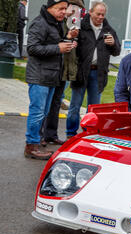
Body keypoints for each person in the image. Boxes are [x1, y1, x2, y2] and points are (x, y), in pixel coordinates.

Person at [24, 0, 74, 160]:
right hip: (39, 76)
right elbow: (31, 48)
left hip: (51, 75)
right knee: (37, 113)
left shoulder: (55, 23)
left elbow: (53, 43)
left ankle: (36, 143)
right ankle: (31, 146)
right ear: (50, 7)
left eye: (65, 9)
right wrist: (58, 48)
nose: (64, 12)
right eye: (60, 9)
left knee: (43, 112)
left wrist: (67, 40)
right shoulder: (40, 23)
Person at [66, 1, 121, 138]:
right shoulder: (81, 27)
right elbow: (71, 47)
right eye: (98, 14)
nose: (101, 17)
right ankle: (70, 134)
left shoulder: (109, 30)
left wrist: (113, 44)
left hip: (98, 74)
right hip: (81, 72)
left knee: (94, 108)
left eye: (103, 14)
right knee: (75, 106)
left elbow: (117, 51)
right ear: (90, 12)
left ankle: (89, 134)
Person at [41, 0, 85, 147]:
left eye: (79, 8)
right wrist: (67, 37)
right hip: (52, 67)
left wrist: (72, 41)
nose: (77, 11)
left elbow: (65, 42)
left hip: (65, 68)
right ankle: (39, 136)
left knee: (56, 102)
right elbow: (53, 42)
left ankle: (51, 134)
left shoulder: (75, 22)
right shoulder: (56, 20)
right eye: (75, 7)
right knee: (45, 104)